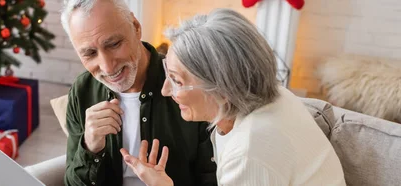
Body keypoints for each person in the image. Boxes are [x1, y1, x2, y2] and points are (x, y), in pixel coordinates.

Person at [120, 9, 347, 186]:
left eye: (177, 81)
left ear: (222, 88)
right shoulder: (274, 96)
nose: (166, 90)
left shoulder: (250, 150)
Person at [60, 0, 217, 185]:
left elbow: (211, 178)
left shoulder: (189, 85)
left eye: (114, 44)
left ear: (136, 27)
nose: (107, 67)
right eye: (90, 53)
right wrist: (90, 147)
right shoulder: (81, 91)